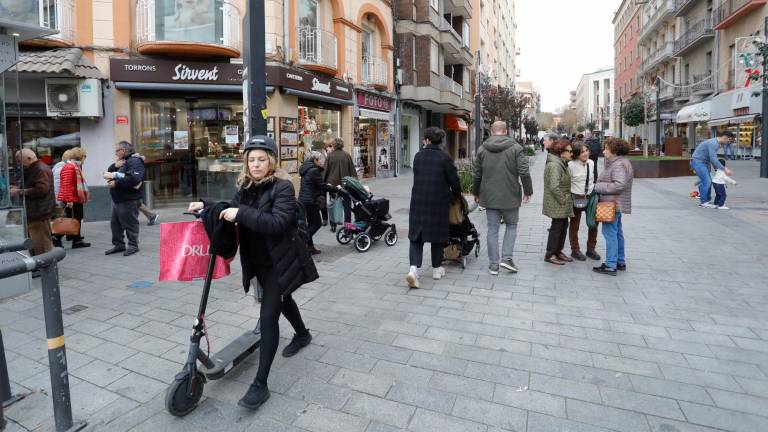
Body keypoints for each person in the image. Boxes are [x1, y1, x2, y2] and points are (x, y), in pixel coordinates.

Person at [188, 135, 317, 411]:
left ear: (271, 161)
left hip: (280, 262)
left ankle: (261, 384)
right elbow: (232, 207)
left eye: (261, 159)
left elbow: (277, 222)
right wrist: (206, 206)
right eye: (251, 159)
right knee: (282, 300)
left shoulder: (283, 187)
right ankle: (303, 334)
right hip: (259, 261)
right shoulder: (246, 187)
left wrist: (240, 214)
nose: (256, 164)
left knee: (268, 316)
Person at [472, 121, 533, 275]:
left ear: (491, 131)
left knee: (492, 229)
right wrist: (528, 191)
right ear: (506, 131)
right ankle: (507, 258)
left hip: (489, 195)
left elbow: (477, 173)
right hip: (510, 195)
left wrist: (476, 192)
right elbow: (524, 172)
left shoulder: (482, 149)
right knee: (511, 226)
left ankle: (493, 265)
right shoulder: (516, 148)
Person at [406, 127, 462, 288]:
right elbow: (454, 181)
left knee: (416, 237)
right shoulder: (445, 158)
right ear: (441, 141)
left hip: (418, 202)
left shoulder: (418, 156)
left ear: (427, 140)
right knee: (438, 237)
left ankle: (413, 270)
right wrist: (457, 196)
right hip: (438, 202)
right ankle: (437, 269)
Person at [593, 138, 634, 276]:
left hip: (611, 204)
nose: (604, 151)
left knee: (610, 233)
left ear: (614, 151)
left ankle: (611, 264)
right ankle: (619, 261)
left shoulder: (618, 165)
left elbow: (619, 185)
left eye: (606, 149)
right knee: (617, 233)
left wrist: (597, 186)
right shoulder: (620, 162)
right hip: (615, 203)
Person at [9, 149, 55, 257]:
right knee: (38, 243)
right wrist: (19, 188)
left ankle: (46, 269)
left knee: (43, 244)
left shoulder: (39, 169)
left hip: (39, 212)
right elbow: (34, 185)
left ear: (29, 159)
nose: (20, 164)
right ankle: (41, 267)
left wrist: (20, 191)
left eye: (20, 160)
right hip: (37, 211)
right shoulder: (37, 167)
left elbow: (42, 189)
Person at [103, 141, 145, 256]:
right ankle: (119, 245)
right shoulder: (123, 161)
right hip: (118, 199)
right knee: (115, 224)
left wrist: (116, 184)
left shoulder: (135, 161)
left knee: (130, 224)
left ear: (124, 150)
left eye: (117, 150)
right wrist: (114, 166)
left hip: (129, 199)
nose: (116, 153)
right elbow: (112, 173)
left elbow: (134, 179)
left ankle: (133, 245)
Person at [543, 139, 575, 265]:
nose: (571, 154)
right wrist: (563, 199)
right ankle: (550, 254)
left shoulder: (561, 163)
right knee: (556, 228)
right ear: (561, 152)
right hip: (557, 202)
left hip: (561, 202)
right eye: (569, 151)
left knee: (562, 226)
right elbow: (554, 186)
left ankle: (558, 251)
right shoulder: (555, 165)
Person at [567, 141, 600, 261]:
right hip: (577, 197)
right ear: (576, 154)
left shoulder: (591, 163)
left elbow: (593, 179)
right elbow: (566, 183)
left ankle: (591, 249)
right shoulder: (570, 165)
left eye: (587, 151)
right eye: (582, 152)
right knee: (574, 225)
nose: (586, 153)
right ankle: (575, 250)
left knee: (593, 224)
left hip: (591, 197)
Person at [56, 147, 91, 248]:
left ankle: (77, 241)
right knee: (70, 220)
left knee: (77, 219)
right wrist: (69, 200)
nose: (85, 159)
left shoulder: (74, 166)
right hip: (72, 198)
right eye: (84, 157)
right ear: (80, 157)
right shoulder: (70, 167)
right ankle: (56, 237)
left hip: (76, 198)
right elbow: (66, 185)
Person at [691, 131, 735, 208]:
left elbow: (712, 158)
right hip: (699, 162)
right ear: (724, 137)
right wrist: (724, 169)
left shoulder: (716, 143)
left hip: (704, 162)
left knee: (704, 181)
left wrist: (716, 169)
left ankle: (705, 200)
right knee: (707, 181)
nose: (729, 142)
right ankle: (704, 201)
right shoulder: (713, 143)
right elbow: (713, 159)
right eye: (729, 140)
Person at [323, 137, 356, 232]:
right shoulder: (347, 155)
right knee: (347, 207)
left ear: (334, 145)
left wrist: (323, 183)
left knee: (333, 205)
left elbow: (326, 170)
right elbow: (352, 171)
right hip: (345, 184)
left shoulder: (330, 156)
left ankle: (333, 226)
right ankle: (347, 227)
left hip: (332, 185)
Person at [299, 151, 326, 254]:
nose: (322, 161)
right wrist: (335, 189)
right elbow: (321, 185)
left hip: (303, 200)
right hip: (310, 201)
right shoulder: (314, 170)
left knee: (310, 224)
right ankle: (302, 241)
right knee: (317, 224)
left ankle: (310, 247)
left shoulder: (305, 168)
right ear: (315, 160)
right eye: (321, 159)